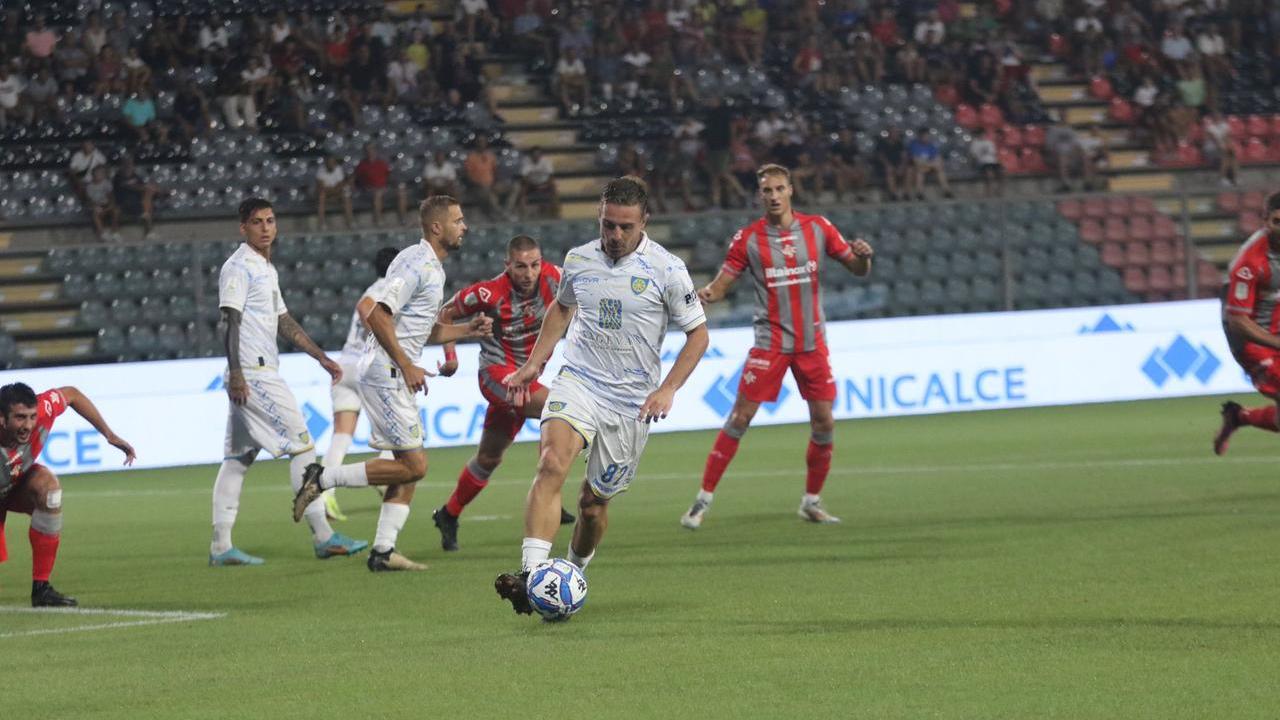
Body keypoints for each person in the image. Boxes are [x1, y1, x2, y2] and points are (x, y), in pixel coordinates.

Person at [494, 176, 709, 615]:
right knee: (551, 462)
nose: (614, 235)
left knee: (592, 506)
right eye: (608, 224)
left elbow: (698, 335)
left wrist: (667, 388)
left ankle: (572, 574)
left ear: (644, 222)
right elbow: (562, 307)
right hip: (579, 380)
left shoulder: (667, 269)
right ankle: (532, 578)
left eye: (625, 227)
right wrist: (536, 362)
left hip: (631, 402)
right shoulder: (579, 259)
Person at [291, 196, 493, 572]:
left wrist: (468, 330)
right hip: (386, 372)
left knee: (407, 465)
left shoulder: (429, 266)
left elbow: (418, 329)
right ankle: (323, 477)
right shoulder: (417, 263)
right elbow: (376, 315)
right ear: (437, 227)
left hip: (391, 372)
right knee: (415, 465)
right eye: (458, 220)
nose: (464, 226)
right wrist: (407, 364)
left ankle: (383, 551)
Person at [679, 164, 874, 530]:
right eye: (767, 190)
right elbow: (722, 285)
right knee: (739, 418)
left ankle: (811, 502)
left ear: (790, 191)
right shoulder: (748, 239)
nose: (773, 196)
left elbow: (857, 268)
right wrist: (706, 293)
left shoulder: (818, 228)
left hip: (812, 343)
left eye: (779, 189)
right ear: (760, 195)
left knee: (824, 421)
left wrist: (863, 257)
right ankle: (702, 500)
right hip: (770, 344)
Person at [209, 198, 367, 566]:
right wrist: (237, 372)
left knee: (237, 459)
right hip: (253, 373)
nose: (265, 228)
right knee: (303, 446)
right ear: (243, 228)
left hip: (257, 371)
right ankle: (323, 536)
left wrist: (320, 356)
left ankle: (220, 547)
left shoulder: (266, 268)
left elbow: (284, 321)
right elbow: (229, 322)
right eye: (257, 222)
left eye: (270, 220)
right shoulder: (238, 267)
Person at [430, 235, 575, 551]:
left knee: (488, 458)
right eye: (520, 266)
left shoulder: (557, 278)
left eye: (534, 265)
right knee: (560, 408)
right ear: (507, 265)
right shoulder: (488, 293)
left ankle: (448, 514)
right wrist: (451, 358)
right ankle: (550, 493)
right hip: (497, 376)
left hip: (527, 380)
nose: (529, 273)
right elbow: (444, 314)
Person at [1, 382, 136, 607]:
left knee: (49, 488)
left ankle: (41, 589)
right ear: (2, 418)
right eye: (20, 418)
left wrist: (109, 435)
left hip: (14, 484)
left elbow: (72, 394)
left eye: (32, 417)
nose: (28, 425)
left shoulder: (45, 408)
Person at [318, 246, 400, 522]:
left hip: (345, 368)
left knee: (341, 436)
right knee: (394, 429)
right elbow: (366, 307)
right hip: (366, 369)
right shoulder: (387, 289)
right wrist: (389, 342)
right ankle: (384, 477)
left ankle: (322, 494)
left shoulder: (374, 286)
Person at [1215, 193, 1280, 456]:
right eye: (1277, 222)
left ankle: (1239, 417)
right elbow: (1238, 321)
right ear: (1265, 221)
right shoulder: (1249, 263)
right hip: (1249, 336)